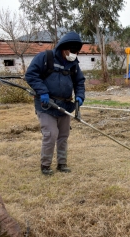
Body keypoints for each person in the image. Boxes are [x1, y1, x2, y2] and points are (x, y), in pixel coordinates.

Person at [25, 31, 86, 175]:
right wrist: (43, 92)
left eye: (77, 51)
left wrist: (80, 97)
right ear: (64, 48)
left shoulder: (73, 65)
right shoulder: (45, 58)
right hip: (46, 104)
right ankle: (45, 165)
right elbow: (31, 75)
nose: (74, 54)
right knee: (51, 134)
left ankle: (62, 164)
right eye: (72, 51)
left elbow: (79, 82)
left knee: (63, 135)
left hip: (65, 105)